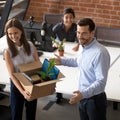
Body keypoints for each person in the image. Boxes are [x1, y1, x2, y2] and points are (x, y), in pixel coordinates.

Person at [50, 18, 110, 120]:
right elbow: (79, 61)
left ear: (92, 33)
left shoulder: (100, 53)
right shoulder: (84, 45)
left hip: (94, 101)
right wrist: (62, 61)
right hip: (82, 97)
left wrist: (83, 95)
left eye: (84, 33)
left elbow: (101, 82)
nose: (80, 37)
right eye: (78, 32)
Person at [4, 18, 39, 120]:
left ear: (21, 31)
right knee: (16, 115)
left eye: (16, 33)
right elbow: (12, 75)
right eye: (10, 34)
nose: (13, 36)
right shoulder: (8, 51)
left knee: (31, 114)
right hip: (17, 85)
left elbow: (38, 66)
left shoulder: (31, 46)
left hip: (31, 82)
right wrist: (23, 92)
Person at [52, 7, 79, 103]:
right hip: (60, 50)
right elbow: (49, 36)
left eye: (71, 17)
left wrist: (78, 45)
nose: (68, 20)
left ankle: (74, 89)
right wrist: (54, 42)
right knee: (59, 70)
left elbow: (80, 39)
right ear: (63, 18)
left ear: (74, 18)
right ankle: (58, 94)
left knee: (71, 70)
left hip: (71, 52)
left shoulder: (76, 27)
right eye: (66, 17)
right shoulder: (58, 27)